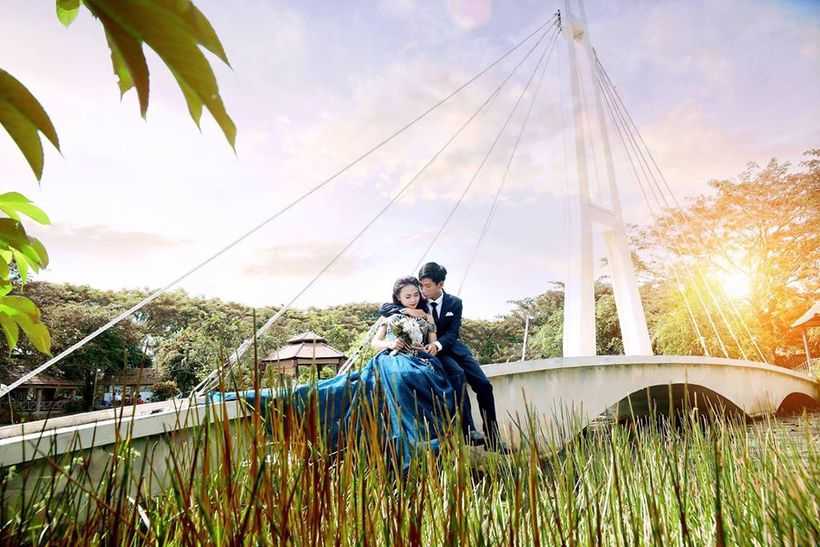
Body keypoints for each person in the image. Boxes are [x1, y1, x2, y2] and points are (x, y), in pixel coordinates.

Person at [217, 276, 457, 469]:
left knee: (425, 379)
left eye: (415, 294)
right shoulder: (391, 316)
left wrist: (427, 348)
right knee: (396, 377)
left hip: (419, 358)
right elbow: (376, 342)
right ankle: (408, 438)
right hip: (393, 357)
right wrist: (391, 344)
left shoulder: (427, 316)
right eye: (407, 296)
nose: (413, 299)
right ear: (398, 298)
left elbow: (432, 341)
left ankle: (423, 435)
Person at [379, 262, 506, 451]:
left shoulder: (454, 303)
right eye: (421, 286)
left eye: (427, 286)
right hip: (431, 354)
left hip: (451, 347)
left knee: (484, 385)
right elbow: (387, 307)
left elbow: (453, 332)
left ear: (440, 284)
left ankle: (493, 440)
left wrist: (436, 345)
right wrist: (407, 311)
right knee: (457, 375)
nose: (422, 291)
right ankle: (468, 430)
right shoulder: (417, 300)